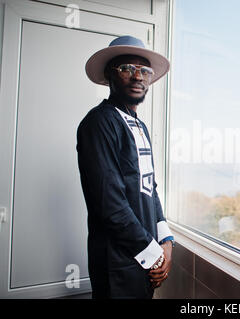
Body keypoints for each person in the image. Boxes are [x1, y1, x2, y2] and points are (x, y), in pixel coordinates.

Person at [77, 35, 174, 299]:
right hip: (116, 262)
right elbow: (110, 204)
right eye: (127, 69)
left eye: (144, 70)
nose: (137, 77)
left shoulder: (140, 126)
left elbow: (149, 186)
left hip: (145, 257)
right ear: (110, 75)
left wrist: (165, 240)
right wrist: (153, 254)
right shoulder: (99, 123)